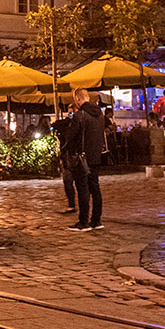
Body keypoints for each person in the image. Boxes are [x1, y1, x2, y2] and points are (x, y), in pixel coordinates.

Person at [67, 90, 106, 231]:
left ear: (77, 99)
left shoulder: (81, 115)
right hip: (96, 156)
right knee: (95, 188)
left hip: (82, 157)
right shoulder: (99, 114)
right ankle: (96, 220)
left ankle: (83, 222)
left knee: (83, 189)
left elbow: (71, 136)